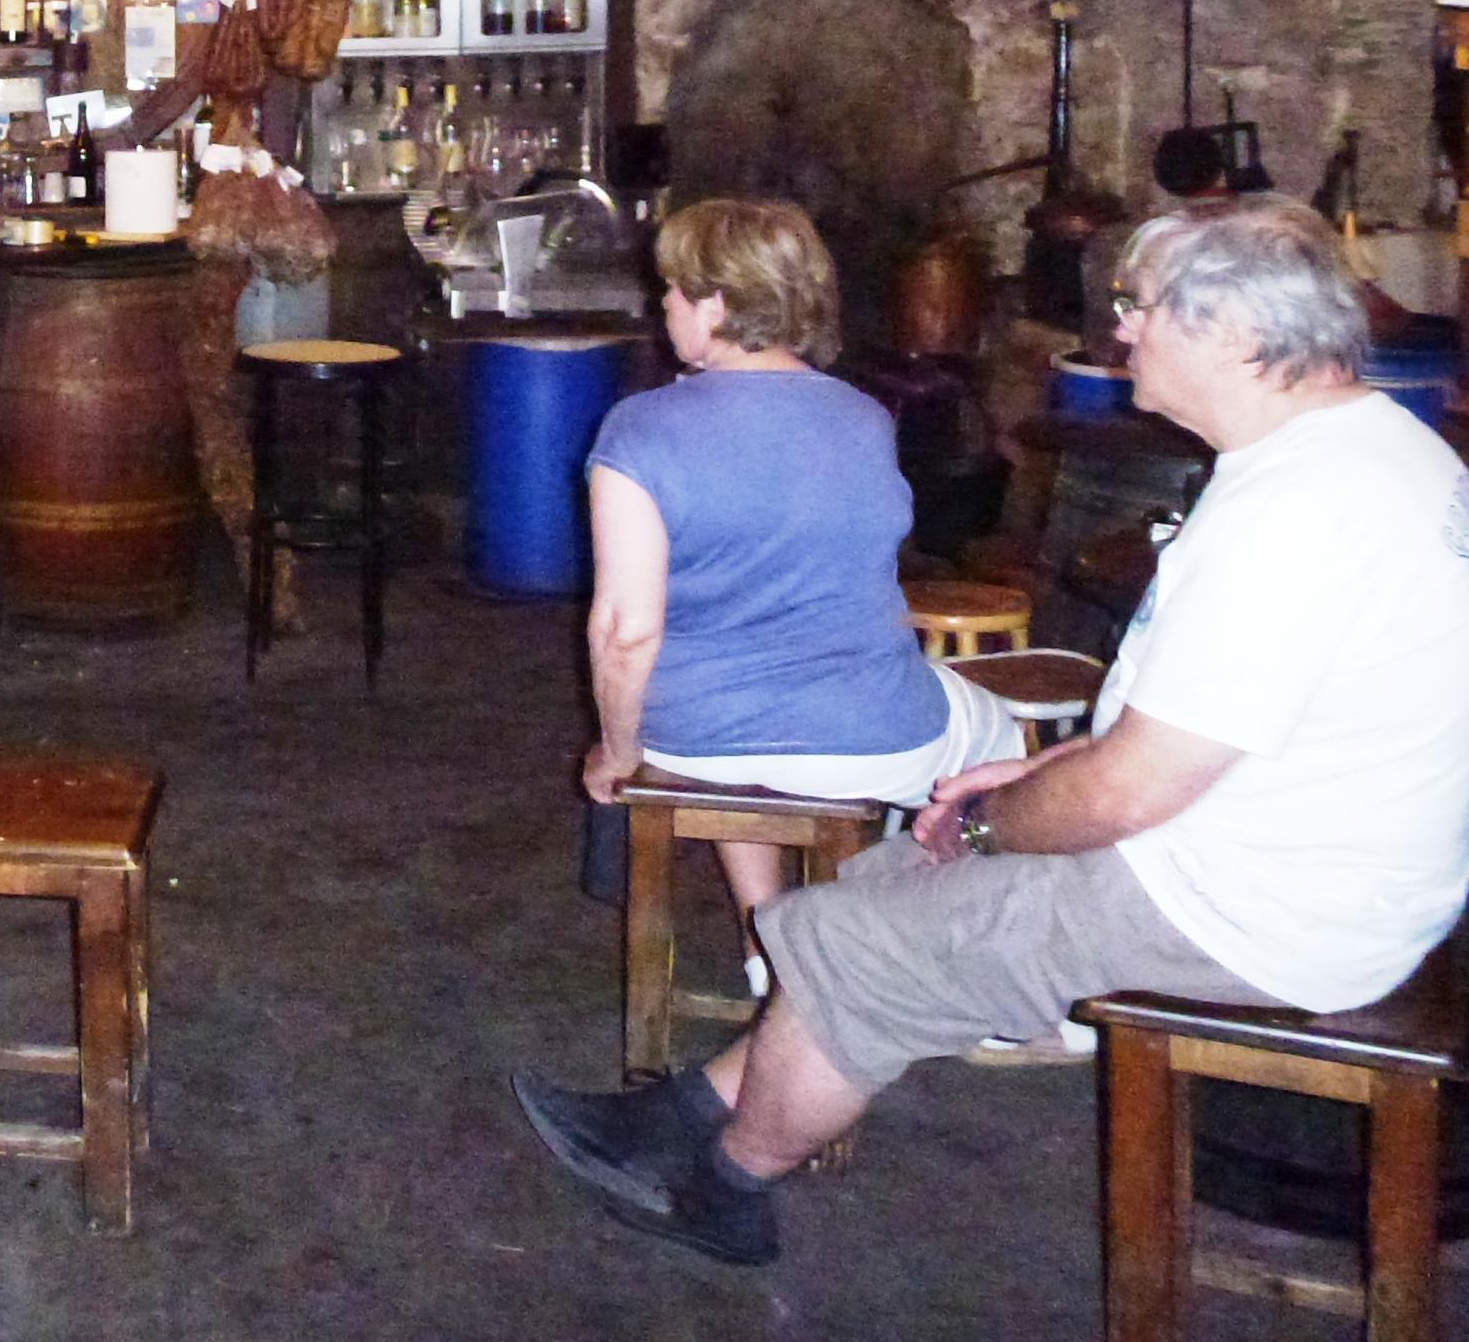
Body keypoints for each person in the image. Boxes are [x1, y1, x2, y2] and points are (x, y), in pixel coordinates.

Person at [515, 196, 1469, 1269]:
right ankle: (683, 1110)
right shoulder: (1372, 452)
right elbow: (1207, 733)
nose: (1121, 330)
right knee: (878, 882)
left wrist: (988, 825)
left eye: (1142, 307)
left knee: (856, 939)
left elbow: (1130, 793)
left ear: (1235, 334)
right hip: (1312, 860)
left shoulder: (1293, 517)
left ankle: (728, 1187)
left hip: (1257, 909)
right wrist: (1037, 770)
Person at [579, 200, 1019, 987]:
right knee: (1006, 743)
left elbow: (625, 631)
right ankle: (959, 958)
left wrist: (618, 754)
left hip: (697, 734)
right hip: (868, 735)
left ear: (716, 305)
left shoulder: (638, 429)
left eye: (673, 289)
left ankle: (773, 949)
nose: (664, 303)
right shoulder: (863, 417)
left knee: (742, 749)